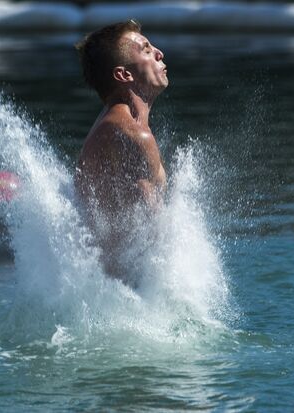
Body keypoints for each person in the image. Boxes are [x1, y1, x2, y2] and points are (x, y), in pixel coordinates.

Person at [74, 20, 168, 282]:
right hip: (121, 290)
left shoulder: (114, 123)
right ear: (124, 75)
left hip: (104, 288)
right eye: (147, 50)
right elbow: (150, 232)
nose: (159, 53)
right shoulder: (132, 134)